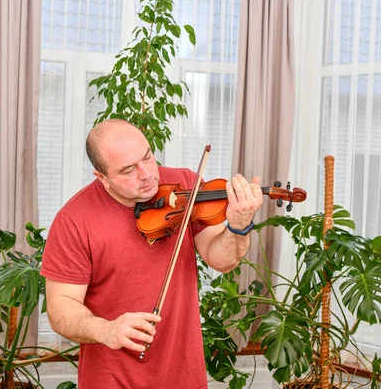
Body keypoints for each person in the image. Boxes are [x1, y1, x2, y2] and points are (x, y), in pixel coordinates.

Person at [40, 119, 263, 389]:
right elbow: (60, 308)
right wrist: (107, 329)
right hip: (111, 379)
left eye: (147, 157)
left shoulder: (185, 186)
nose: (146, 174)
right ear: (102, 177)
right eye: (128, 170)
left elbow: (222, 260)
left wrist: (238, 225)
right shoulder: (74, 220)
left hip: (183, 374)